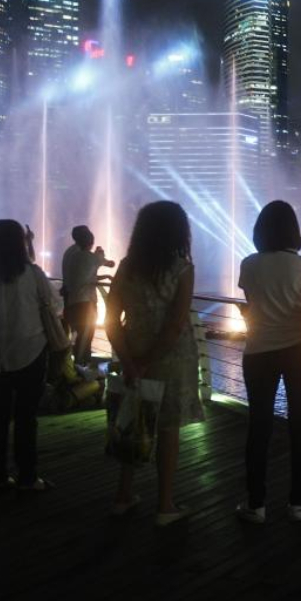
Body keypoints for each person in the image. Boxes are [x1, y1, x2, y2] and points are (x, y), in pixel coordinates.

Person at [104, 201, 203, 525]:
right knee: (167, 429)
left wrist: (130, 360)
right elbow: (175, 325)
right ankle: (165, 505)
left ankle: (123, 495)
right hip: (171, 358)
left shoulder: (127, 266)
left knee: (132, 421)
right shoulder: (182, 269)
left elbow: (110, 319)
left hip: (133, 351)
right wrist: (147, 361)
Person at [234, 200, 301, 524]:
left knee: (259, 427)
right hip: (299, 352)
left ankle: (256, 504)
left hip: (258, 352)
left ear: (260, 231)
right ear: (294, 231)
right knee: (300, 426)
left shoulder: (249, 264)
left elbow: (251, 304)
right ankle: (298, 502)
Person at [0, 220, 59, 492]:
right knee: (25, 418)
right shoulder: (32, 274)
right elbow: (54, 304)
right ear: (20, 243)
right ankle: (28, 477)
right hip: (30, 352)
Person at [61, 225, 116, 365]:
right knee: (85, 337)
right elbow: (111, 264)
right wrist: (100, 254)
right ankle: (81, 368)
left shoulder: (72, 256)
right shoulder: (91, 257)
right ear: (91, 241)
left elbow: (83, 278)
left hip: (72, 302)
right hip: (86, 305)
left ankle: (78, 366)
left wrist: (102, 276)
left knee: (78, 337)